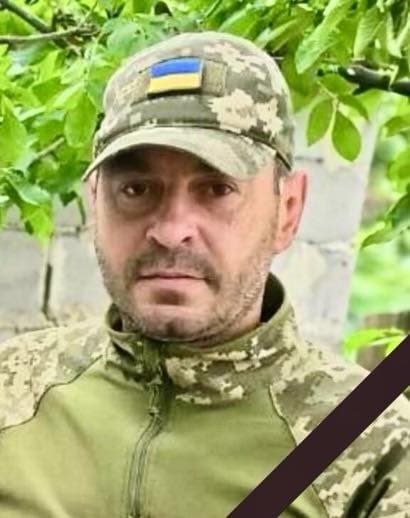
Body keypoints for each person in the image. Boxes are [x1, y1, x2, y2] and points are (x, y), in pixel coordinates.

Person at [0, 31, 409, 518]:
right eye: (136, 189)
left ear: (288, 210)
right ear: (94, 204)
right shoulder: (12, 392)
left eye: (216, 189)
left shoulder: (377, 448)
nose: (172, 231)